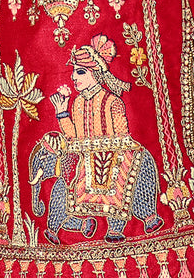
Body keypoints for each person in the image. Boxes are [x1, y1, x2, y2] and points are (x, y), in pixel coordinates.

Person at [42, 34, 162, 243]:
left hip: (113, 155)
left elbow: (122, 135)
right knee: (65, 176)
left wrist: (109, 149)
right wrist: (62, 113)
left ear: (95, 74)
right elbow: (74, 137)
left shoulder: (112, 101)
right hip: (85, 157)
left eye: (80, 72)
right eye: (74, 72)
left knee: (136, 163)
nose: (73, 77)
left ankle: (136, 219)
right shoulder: (78, 104)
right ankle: (67, 225)